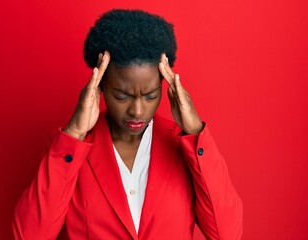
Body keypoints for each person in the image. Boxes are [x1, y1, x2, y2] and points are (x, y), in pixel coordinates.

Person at [13, 9, 243, 240]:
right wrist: (76, 132)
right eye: (122, 96)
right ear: (100, 86)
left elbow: (227, 234)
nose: (137, 111)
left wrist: (195, 134)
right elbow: (31, 235)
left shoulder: (185, 147)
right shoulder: (68, 149)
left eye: (151, 95)